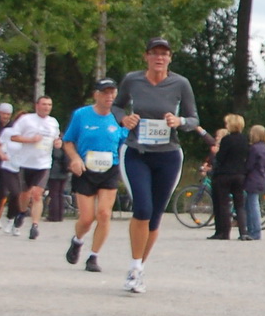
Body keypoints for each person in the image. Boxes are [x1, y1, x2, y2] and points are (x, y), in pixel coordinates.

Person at [118, 38, 200, 292]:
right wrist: (124, 119)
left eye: (164, 54)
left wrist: (179, 121)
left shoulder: (180, 84)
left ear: (170, 59)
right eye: (154, 53)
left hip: (168, 155)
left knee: (154, 217)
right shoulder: (133, 80)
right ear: (146, 57)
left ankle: (138, 268)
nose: (159, 58)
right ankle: (134, 266)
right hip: (137, 152)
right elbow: (117, 107)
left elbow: (193, 117)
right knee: (142, 208)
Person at [62, 78, 129, 273]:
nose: (109, 97)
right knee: (86, 218)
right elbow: (68, 141)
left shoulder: (119, 117)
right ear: (96, 95)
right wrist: (74, 159)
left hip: (110, 168)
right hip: (85, 169)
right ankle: (77, 240)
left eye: (112, 93)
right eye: (105, 93)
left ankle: (94, 256)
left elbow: (127, 142)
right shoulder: (82, 115)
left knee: (104, 214)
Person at [8, 96, 60, 239]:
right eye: (44, 104)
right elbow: (13, 137)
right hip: (26, 163)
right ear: (37, 105)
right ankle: (22, 213)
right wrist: (30, 140)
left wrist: (57, 143)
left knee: (37, 194)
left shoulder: (53, 122)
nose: (46, 107)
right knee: (25, 194)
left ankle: (35, 226)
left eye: (49, 105)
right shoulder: (26, 120)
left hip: (43, 164)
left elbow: (56, 138)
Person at [209, 114, 249, 241]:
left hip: (225, 174)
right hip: (240, 174)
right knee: (240, 204)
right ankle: (243, 232)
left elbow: (221, 158)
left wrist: (216, 154)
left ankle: (224, 233)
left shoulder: (227, 139)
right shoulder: (245, 139)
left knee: (223, 204)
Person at [0, 102, 20, 233]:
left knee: (4, 190)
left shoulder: (12, 127)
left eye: (8, 114)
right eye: (3, 113)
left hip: (6, 160)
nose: (5, 116)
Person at [242, 124, 265, 240]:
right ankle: (253, 230)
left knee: (252, 205)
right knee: (251, 204)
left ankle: (255, 231)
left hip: (252, 178)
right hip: (261, 177)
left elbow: (249, 165)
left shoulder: (254, 149)